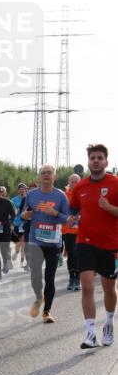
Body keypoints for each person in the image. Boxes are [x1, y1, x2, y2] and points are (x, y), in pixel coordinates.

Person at [68, 144, 118, 349]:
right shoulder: (80, 187)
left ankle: (108, 322)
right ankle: (90, 333)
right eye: (92, 158)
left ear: (106, 161)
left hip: (111, 244)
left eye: (99, 158)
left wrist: (109, 208)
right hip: (85, 242)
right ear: (88, 161)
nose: (95, 161)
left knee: (109, 288)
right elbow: (73, 209)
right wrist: (72, 218)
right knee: (87, 284)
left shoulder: (115, 184)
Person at [21, 165, 69, 323]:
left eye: (49, 173)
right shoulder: (32, 195)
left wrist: (55, 213)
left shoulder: (61, 196)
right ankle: (38, 297)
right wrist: (25, 215)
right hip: (35, 241)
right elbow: (23, 214)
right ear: (39, 177)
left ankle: (47, 312)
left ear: (54, 176)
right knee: (35, 276)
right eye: (43, 173)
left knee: (50, 278)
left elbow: (68, 219)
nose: (46, 175)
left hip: (54, 243)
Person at [63, 173, 81, 292]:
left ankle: (78, 279)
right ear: (68, 182)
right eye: (72, 182)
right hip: (67, 229)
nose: (74, 184)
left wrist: (81, 216)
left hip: (81, 230)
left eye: (76, 182)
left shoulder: (83, 194)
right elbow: (60, 210)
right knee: (70, 254)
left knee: (77, 254)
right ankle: (71, 278)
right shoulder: (63, 195)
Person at [10, 183, 29, 268]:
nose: (22, 191)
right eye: (20, 190)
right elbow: (10, 212)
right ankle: (17, 251)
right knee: (20, 241)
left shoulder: (29, 199)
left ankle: (21, 260)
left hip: (25, 223)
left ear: (26, 190)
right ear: (18, 191)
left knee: (23, 241)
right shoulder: (13, 200)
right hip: (17, 223)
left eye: (23, 189)